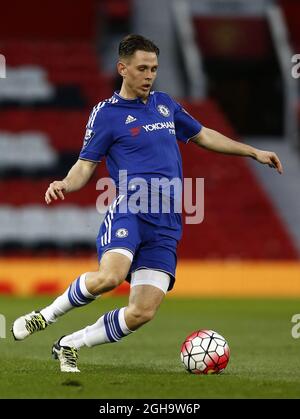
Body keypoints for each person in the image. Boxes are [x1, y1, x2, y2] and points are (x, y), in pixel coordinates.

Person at [12, 34, 283, 373]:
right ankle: (45, 316)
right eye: (142, 68)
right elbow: (85, 165)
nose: (149, 75)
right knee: (110, 277)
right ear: (122, 69)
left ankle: (69, 344)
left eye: (154, 68)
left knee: (142, 313)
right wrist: (65, 184)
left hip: (167, 220)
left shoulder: (165, 104)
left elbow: (204, 135)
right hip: (131, 207)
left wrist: (253, 151)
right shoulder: (106, 114)